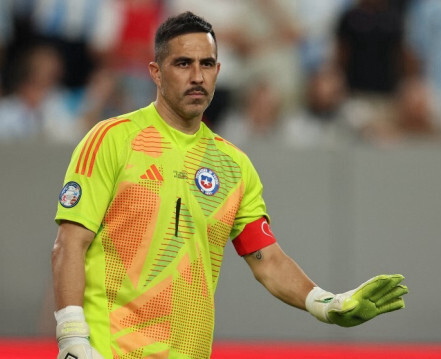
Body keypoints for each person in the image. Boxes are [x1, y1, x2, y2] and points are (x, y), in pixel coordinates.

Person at [51, 11, 408, 359]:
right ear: (156, 73)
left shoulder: (233, 167)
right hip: (108, 350)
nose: (197, 76)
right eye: (183, 64)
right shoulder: (112, 140)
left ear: (218, 71)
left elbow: (267, 259)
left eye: (207, 64)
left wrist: (327, 304)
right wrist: (72, 337)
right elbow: (69, 243)